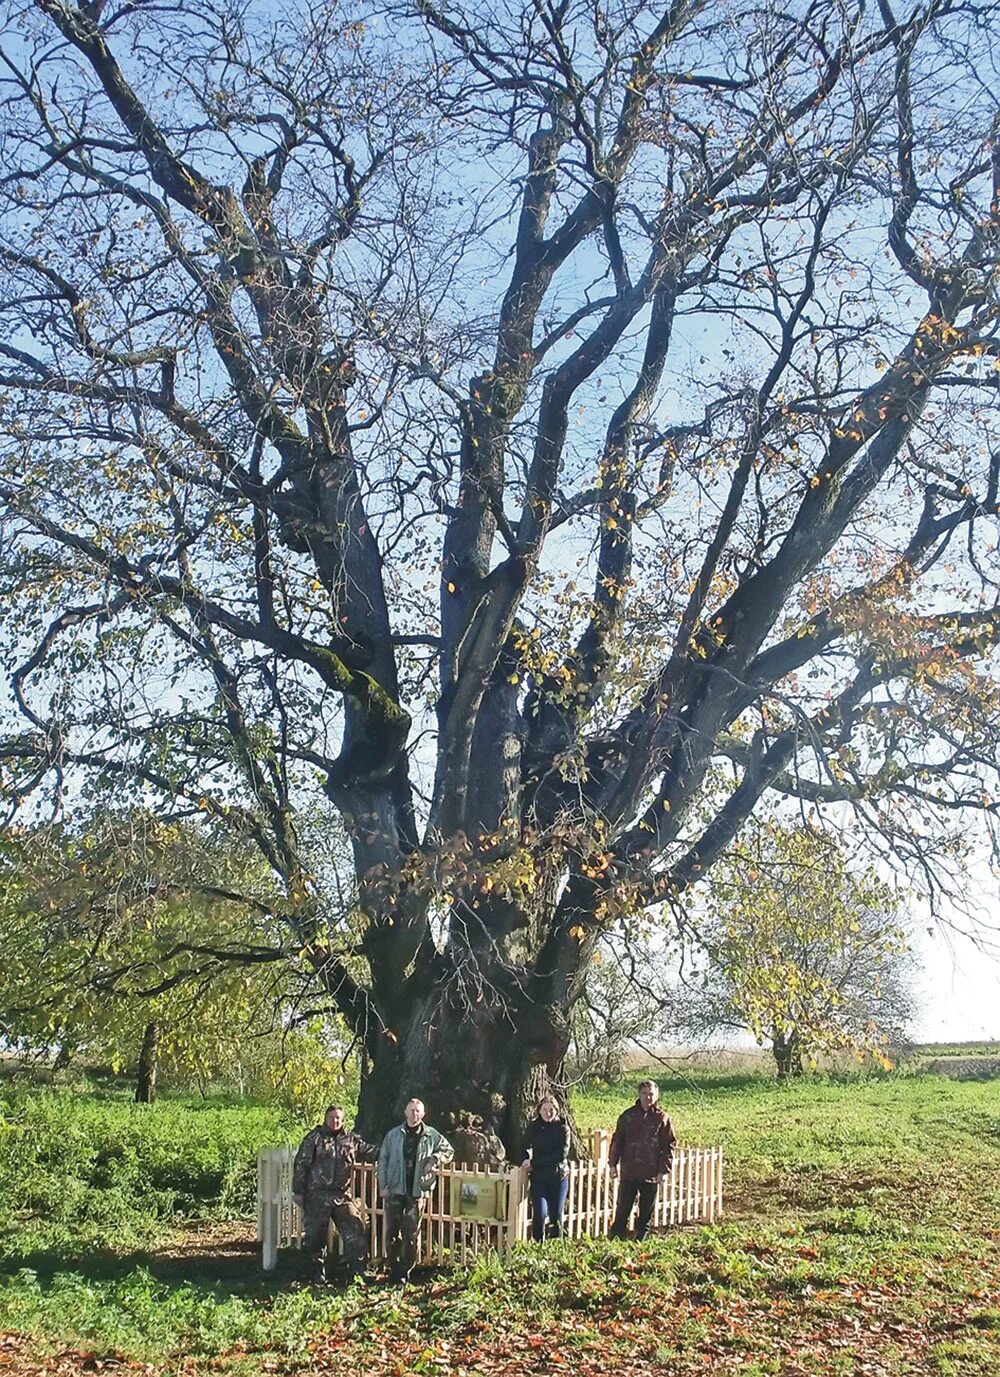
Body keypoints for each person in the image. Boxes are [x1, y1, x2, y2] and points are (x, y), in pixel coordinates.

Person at [292, 1105, 378, 1284]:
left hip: (341, 1195)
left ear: (343, 1119)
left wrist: (392, 1149)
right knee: (315, 1236)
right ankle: (317, 1274)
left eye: (338, 1118)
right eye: (331, 1117)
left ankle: (357, 1272)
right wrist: (298, 1191)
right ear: (325, 1118)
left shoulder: (351, 1140)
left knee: (356, 1228)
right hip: (317, 1195)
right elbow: (301, 1165)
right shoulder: (314, 1139)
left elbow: (372, 1152)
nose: (335, 1121)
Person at [377, 1097, 454, 1284]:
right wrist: (383, 1186)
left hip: (417, 1190)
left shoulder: (431, 1135)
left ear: (423, 1114)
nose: (414, 1114)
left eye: (418, 1111)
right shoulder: (393, 1135)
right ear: (405, 1112)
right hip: (395, 1189)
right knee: (391, 1232)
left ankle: (405, 1270)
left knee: (411, 1232)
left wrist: (435, 1159)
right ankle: (393, 1268)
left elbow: (448, 1151)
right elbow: (383, 1160)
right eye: (411, 1110)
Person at [607, 1079, 676, 1241]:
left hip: (650, 1173)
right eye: (645, 1093)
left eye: (651, 1094)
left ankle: (640, 1241)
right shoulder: (628, 1116)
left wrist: (664, 1170)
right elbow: (617, 1141)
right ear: (639, 1095)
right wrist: (612, 1164)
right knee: (623, 1209)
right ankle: (616, 1238)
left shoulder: (662, 1118)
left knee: (646, 1212)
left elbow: (669, 1145)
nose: (648, 1097)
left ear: (657, 1096)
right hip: (629, 1171)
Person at [521, 1095, 571, 1241]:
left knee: (556, 1215)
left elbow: (561, 1154)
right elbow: (523, 1145)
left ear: (557, 1110)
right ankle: (538, 1244)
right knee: (540, 1213)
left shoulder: (563, 1128)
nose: (548, 1113)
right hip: (539, 1179)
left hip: (558, 1177)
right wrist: (525, 1159)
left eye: (551, 1110)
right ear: (539, 1110)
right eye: (544, 1109)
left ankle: (556, 1246)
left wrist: (534, 1163)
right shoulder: (534, 1127)